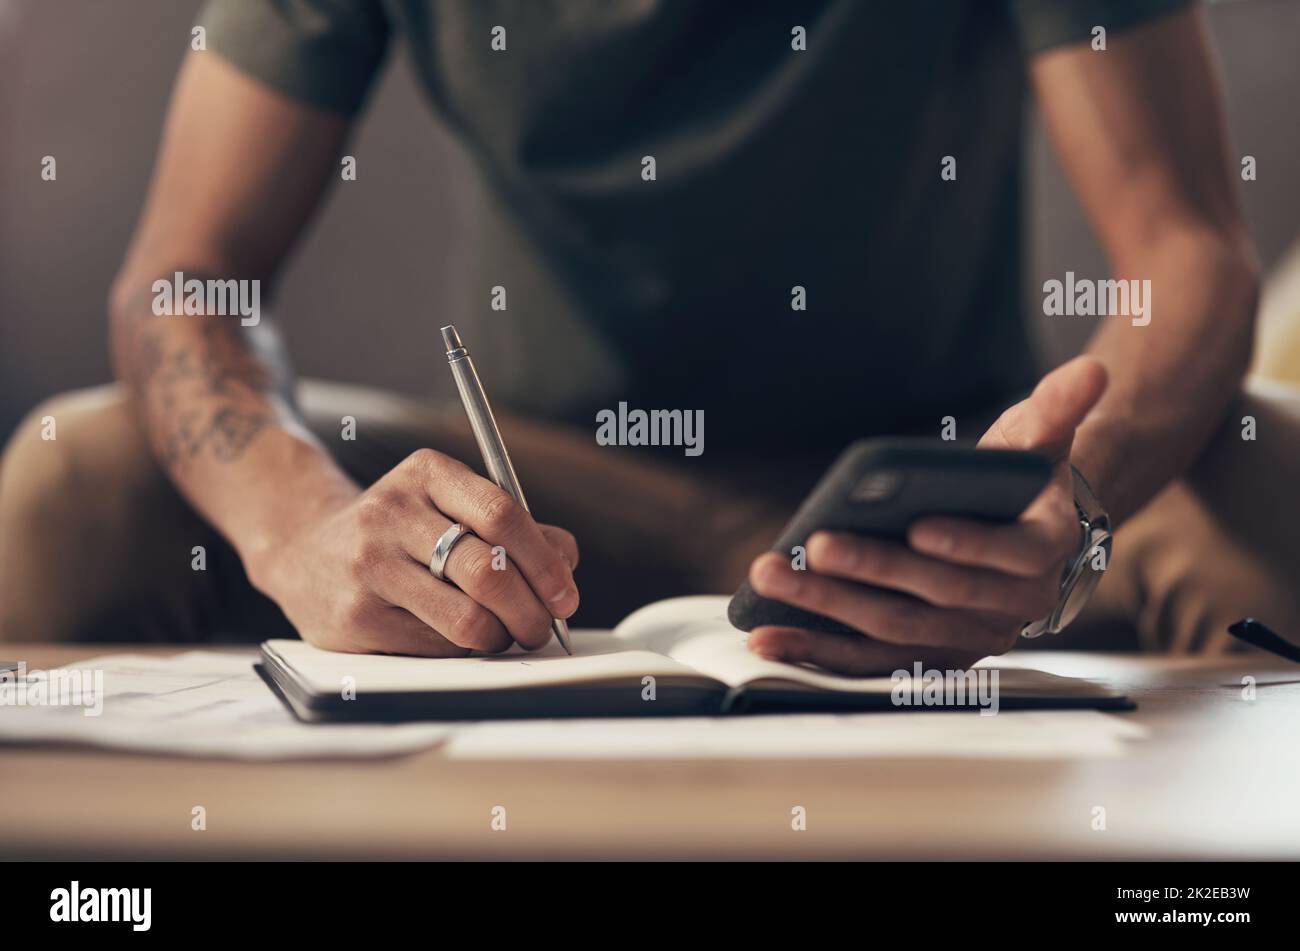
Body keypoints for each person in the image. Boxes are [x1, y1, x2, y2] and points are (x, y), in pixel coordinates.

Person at [3, 0, 1297, 673]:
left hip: (933, 504)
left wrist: (1070, 498)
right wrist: (298, 526)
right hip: (541, 521)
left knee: (1276, 470)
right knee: (76, 481)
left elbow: (1186, 246)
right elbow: (185, 272)